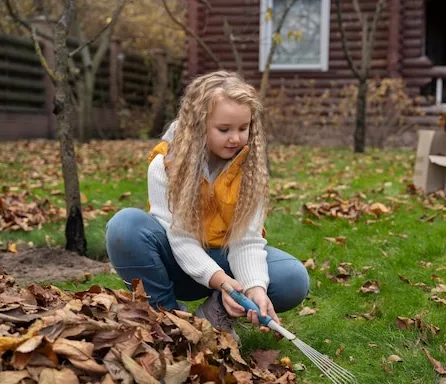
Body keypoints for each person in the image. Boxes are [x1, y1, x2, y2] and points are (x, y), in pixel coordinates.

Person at [105, 71, 310, 341]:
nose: (235, 138)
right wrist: (221, 281)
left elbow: (246, 241)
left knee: (292, 278)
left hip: (224, 260)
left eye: (243, 128)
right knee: (125, 226)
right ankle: (165, 318)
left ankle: (215, 315)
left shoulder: (250, 171)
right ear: (199, 125)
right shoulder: (165, 165)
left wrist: (254, 287)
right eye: (224, 130)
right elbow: (180, 239)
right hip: (174, 263)